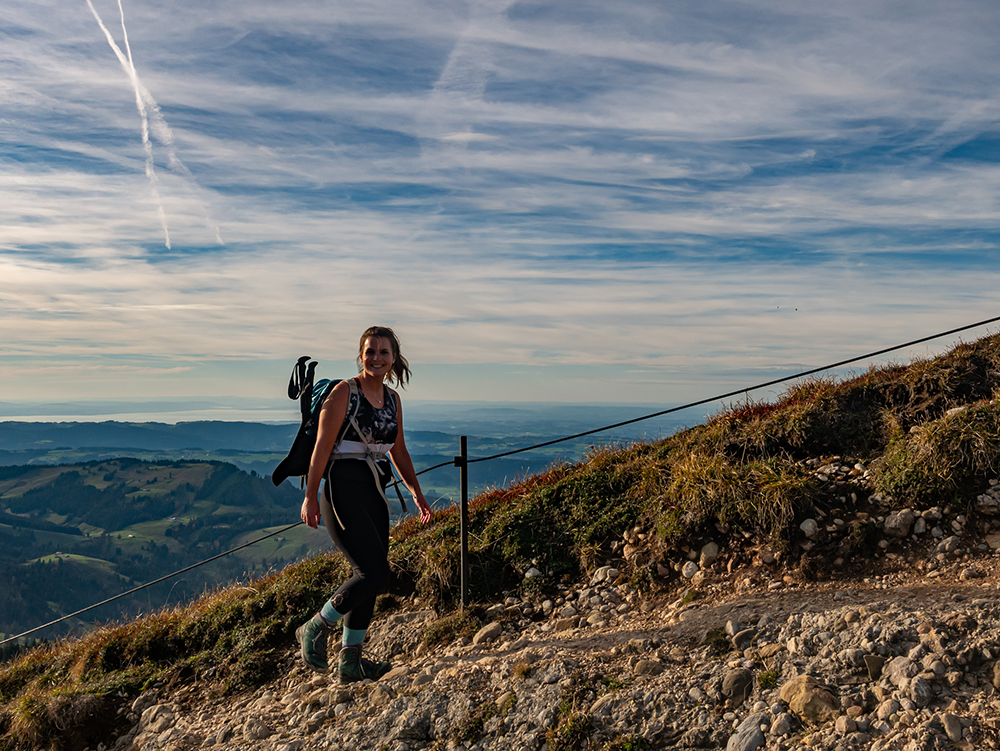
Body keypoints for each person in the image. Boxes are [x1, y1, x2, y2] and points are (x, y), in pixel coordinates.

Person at [296, 326, 432, 683]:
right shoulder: (344, 392)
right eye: (370, 351)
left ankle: (350, 663)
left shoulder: (392, 399)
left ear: (394, 359)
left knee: (370, 576)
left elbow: (398, 450)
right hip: (342, 488)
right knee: (374, 573)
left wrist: (416, 493)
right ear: (361, 355)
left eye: (383, 352)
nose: (376, 358)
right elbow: (321, 449)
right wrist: (310, 496)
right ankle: (315, 625)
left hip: (374, 490)